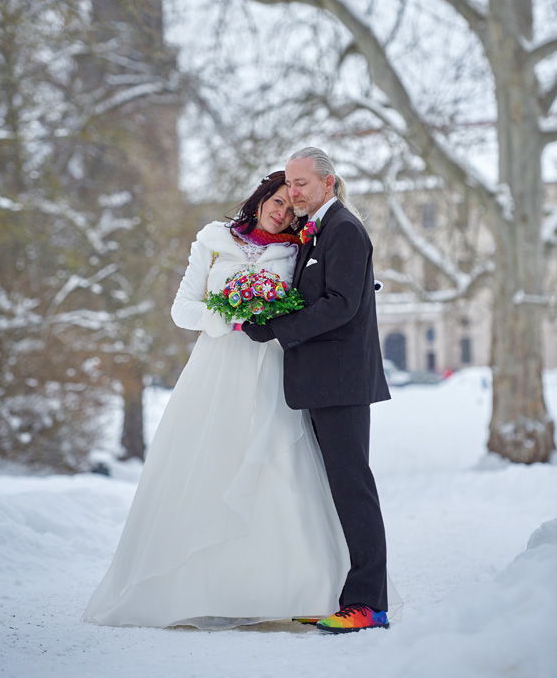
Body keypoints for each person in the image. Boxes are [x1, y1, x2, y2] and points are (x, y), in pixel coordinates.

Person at [82, 171, 351, 629]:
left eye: (291, 207)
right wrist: (231, 314)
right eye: (277, 201)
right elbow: (182, 309)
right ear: (262, 197)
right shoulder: (212, 238)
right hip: (216, 365)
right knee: (209, 462)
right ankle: (199, 590)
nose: (282, 211)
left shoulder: (296, 249)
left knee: (276, 465)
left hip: (270, 366)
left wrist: (266, 314)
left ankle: (292, 589)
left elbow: (309, 306)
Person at [243, 148, 392, 633]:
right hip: (323, 383)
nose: (294, 192)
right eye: (290, 183)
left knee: (354, 490)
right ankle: (344, 595)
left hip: (341, 384)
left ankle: (368, 605)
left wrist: (277, 327)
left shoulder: (344, 229)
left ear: (328, 182)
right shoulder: (318, 230)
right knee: (339, 491)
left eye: (302, 183)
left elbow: (342, 305)